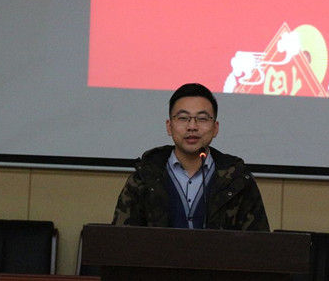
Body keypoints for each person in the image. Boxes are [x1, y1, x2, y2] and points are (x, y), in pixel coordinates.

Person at [112, 83, 270, 231]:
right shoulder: (145, 176)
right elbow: (121, 239)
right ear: (169, 126)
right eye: (183, 118)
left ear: (215, 128)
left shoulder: (238, 180)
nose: (192, 127)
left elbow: (258, 243)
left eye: (202, 119)